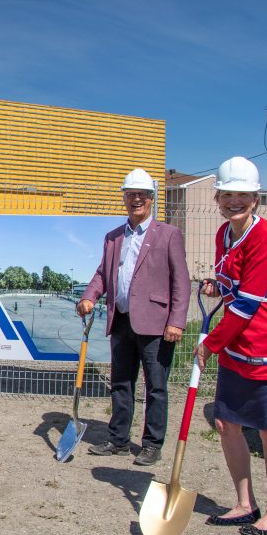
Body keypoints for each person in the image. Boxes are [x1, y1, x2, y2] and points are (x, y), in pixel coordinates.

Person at [196, 157, 267, 535]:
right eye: (228, 195)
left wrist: (209, 345)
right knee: (226, 424)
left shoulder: (266, 239)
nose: (235, 201)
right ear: (218, 197)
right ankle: (244, 503)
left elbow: (246, 305)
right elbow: (230, 285)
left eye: (243, 195)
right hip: (238, 349)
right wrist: (214, 285)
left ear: (255, 199)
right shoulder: (223, 234)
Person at [77, 168, 190, 466]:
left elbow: (181, 281)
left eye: (141, 194)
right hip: (122, 320)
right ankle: (118, 440)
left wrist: (177, 320)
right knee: (121, 383)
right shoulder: (113, 237)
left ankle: (152, 444)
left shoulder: (168, 235)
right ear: (124, 199)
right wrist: (89, 296)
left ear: (151, 199)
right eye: (131, 195)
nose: (136, 199)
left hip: (157, 324)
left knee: (156, 386)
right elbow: (103, 273)